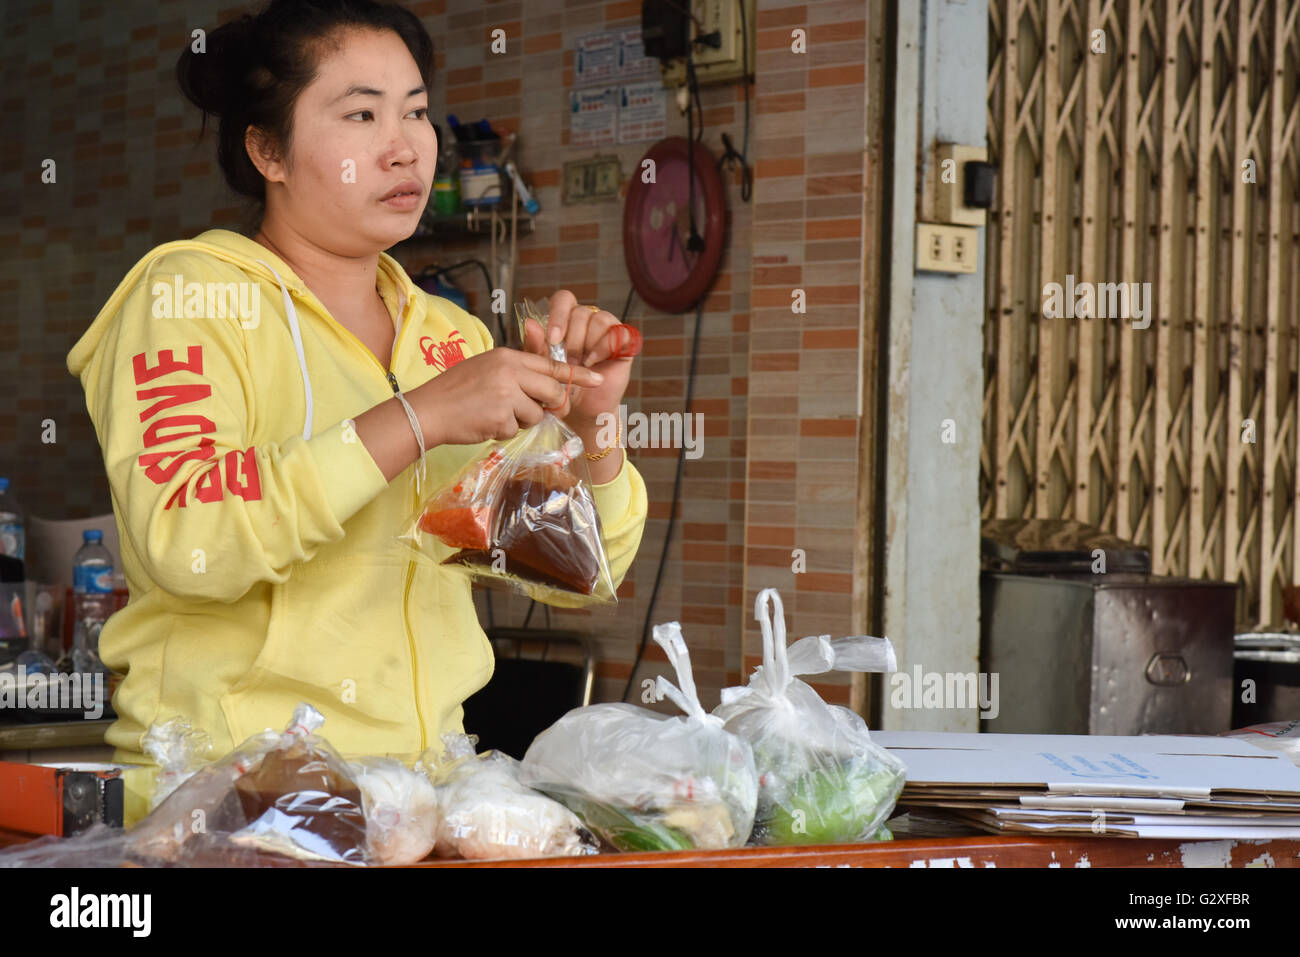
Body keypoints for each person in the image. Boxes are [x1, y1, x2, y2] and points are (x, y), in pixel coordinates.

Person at [65, 0, 647, 826]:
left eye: (415, 111)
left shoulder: (448, 335)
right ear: (267, 149)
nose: (404, 144)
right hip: (233, 805)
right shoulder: (189, 297)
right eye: (361, 114)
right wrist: (419, 418)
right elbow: (185, 540)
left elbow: (568, 570)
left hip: (420, 802)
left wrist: (592, 427)